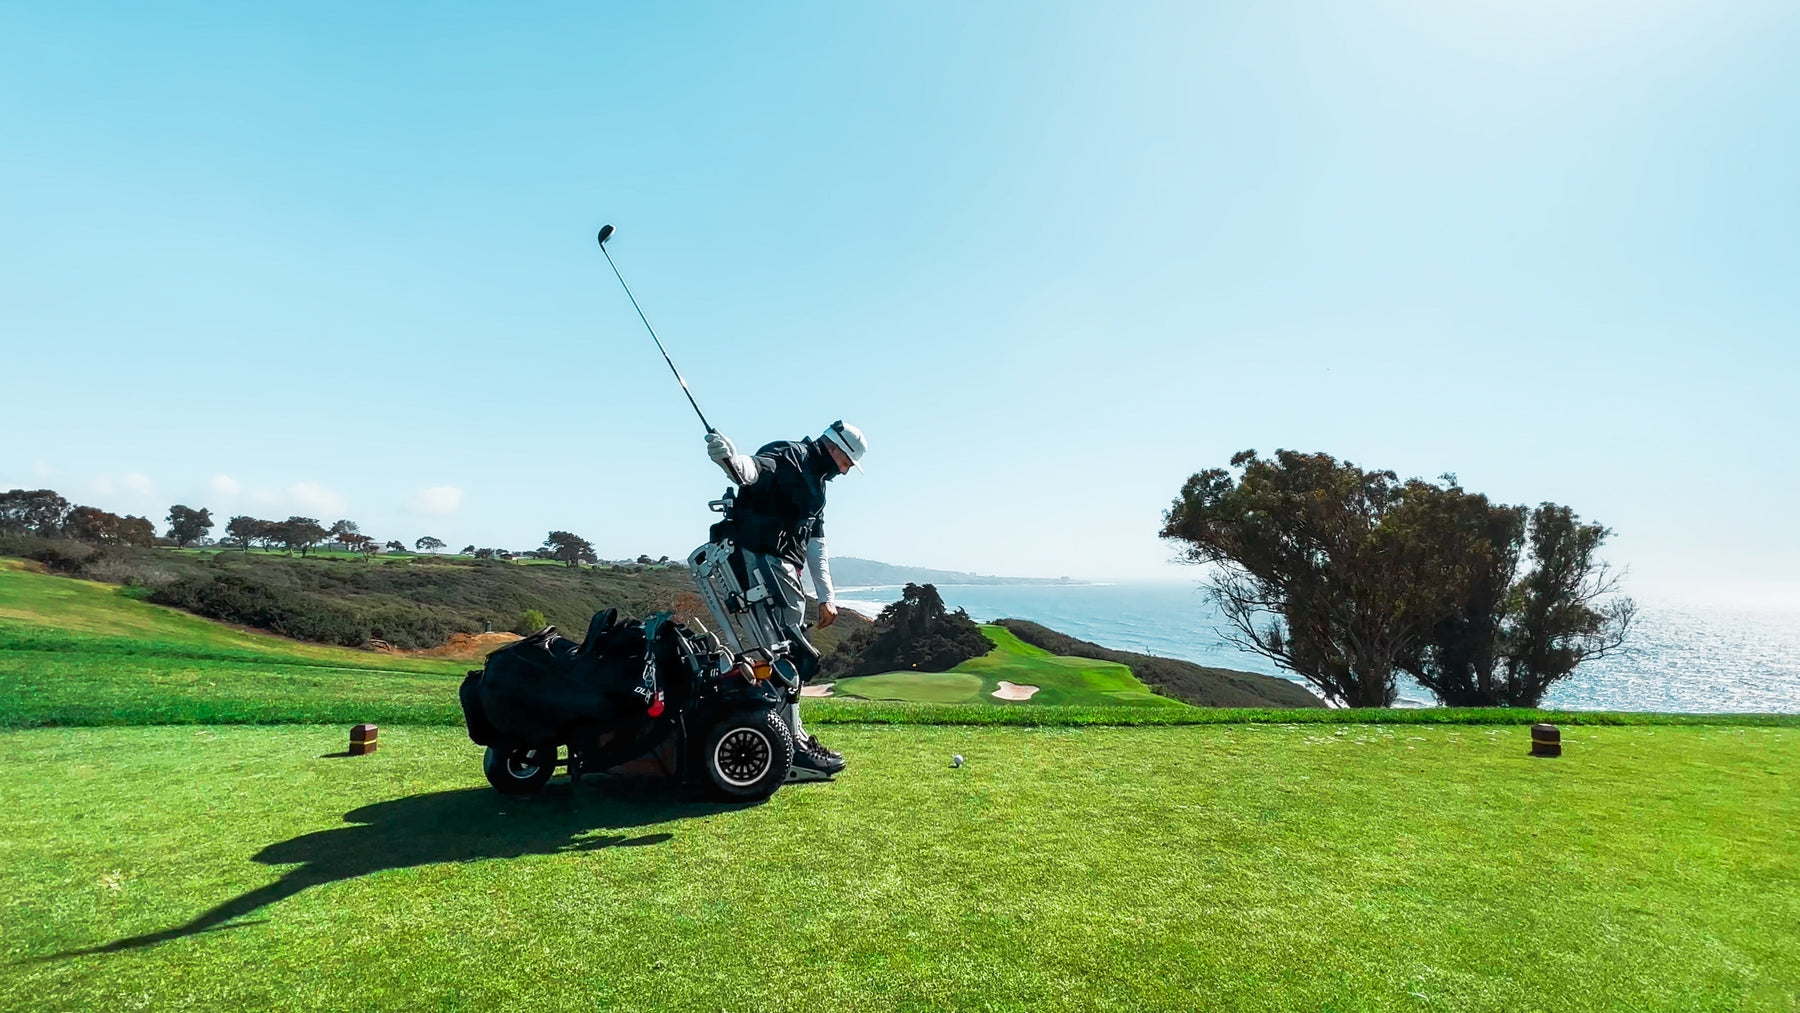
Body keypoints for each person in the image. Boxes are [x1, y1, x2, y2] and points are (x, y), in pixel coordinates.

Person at [705, 420, 867, 780]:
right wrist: (728, 460)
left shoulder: (819, 488)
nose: (846, 471)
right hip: (763, 562)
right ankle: (789, 741)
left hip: (783, 570)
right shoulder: (790, 454)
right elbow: (752, 471)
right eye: (847, 463)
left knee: (787, 655)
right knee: (786, 656)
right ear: (837, 449)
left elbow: (817, 546)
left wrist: (827, 596)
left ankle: (794, 737)